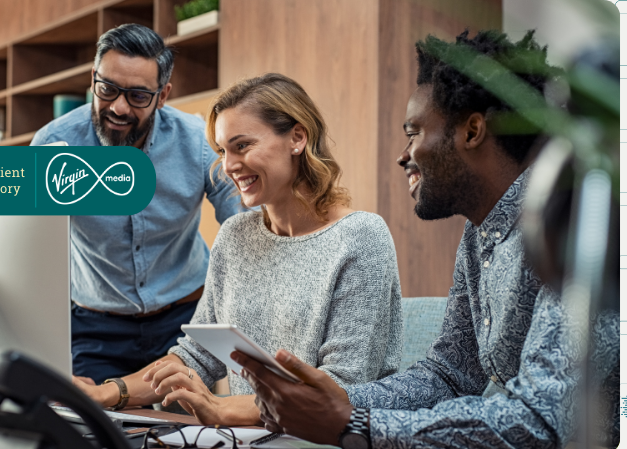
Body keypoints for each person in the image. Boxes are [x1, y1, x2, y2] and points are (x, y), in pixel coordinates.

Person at [234, 30, 620, 449]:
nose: (404, 155)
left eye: (413, 132)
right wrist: (339, 400)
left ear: (471, 131)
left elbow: (540, 421)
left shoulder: (576, 219)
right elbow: (450, 375)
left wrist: (356, 425)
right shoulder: (479, 235)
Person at [74, 73, 403, 426]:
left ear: (297, 137)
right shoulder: (234, 235)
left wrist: (221, 408)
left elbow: (340, 389)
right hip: (247, 436)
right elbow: (195, 356)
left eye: (242, 146)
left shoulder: (361, 237)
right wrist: (108, 393)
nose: (228, 166)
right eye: (222, 151)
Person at [30, 24, 247, 383]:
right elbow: (29, 249)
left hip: (184, 323)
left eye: (137, 96)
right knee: (93, 431)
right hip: (94, 330)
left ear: (163, 96)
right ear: (92, 79)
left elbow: (243, 225)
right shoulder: (55, 146)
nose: (118, 107)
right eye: (108, 89)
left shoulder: (196, 142)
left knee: (181, 433)